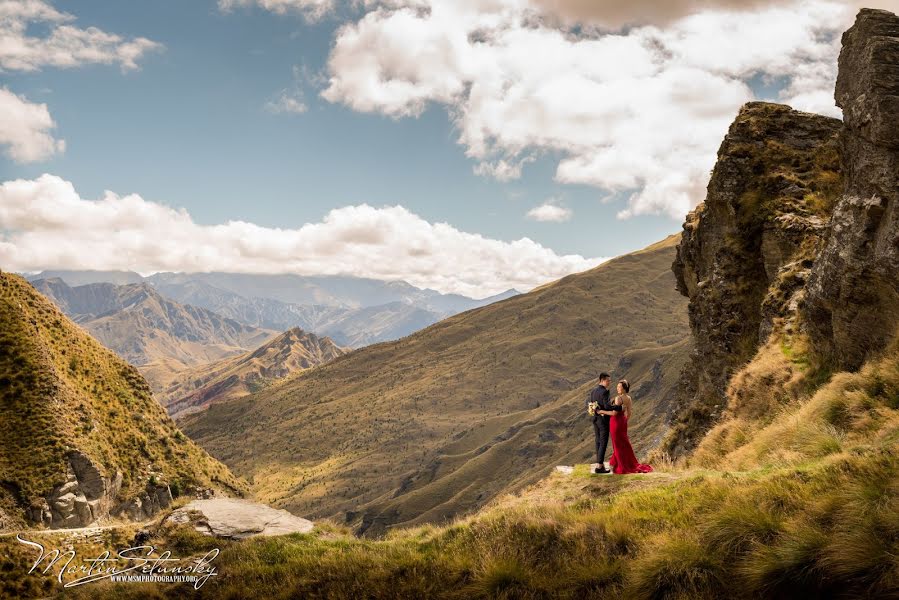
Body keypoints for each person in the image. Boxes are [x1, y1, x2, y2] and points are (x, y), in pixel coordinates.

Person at [597, 380, 653, 474]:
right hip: (623, 422)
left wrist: (601, 411)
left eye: (619, 387)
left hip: (615, 423)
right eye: (617, 386)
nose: (617, 388)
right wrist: (624, 421)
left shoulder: (618, 398)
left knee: (617, 444)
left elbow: (614, 413)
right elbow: (629, 412)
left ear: (623, 389)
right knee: (623, 443)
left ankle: (621, 465)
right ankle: (619, 462)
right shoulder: (629, 398)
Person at [586, 372, 620, 474]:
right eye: (608, 380)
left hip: (595, 419)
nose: (609, 382)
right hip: (603, 420)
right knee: (603, 442)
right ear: (602, 380)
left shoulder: (593, 391)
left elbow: (592, 404)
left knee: (598, 442)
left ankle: (598, 464)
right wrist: (618, 407)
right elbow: (607, 407)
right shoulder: (604, 391)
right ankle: (600, 466)